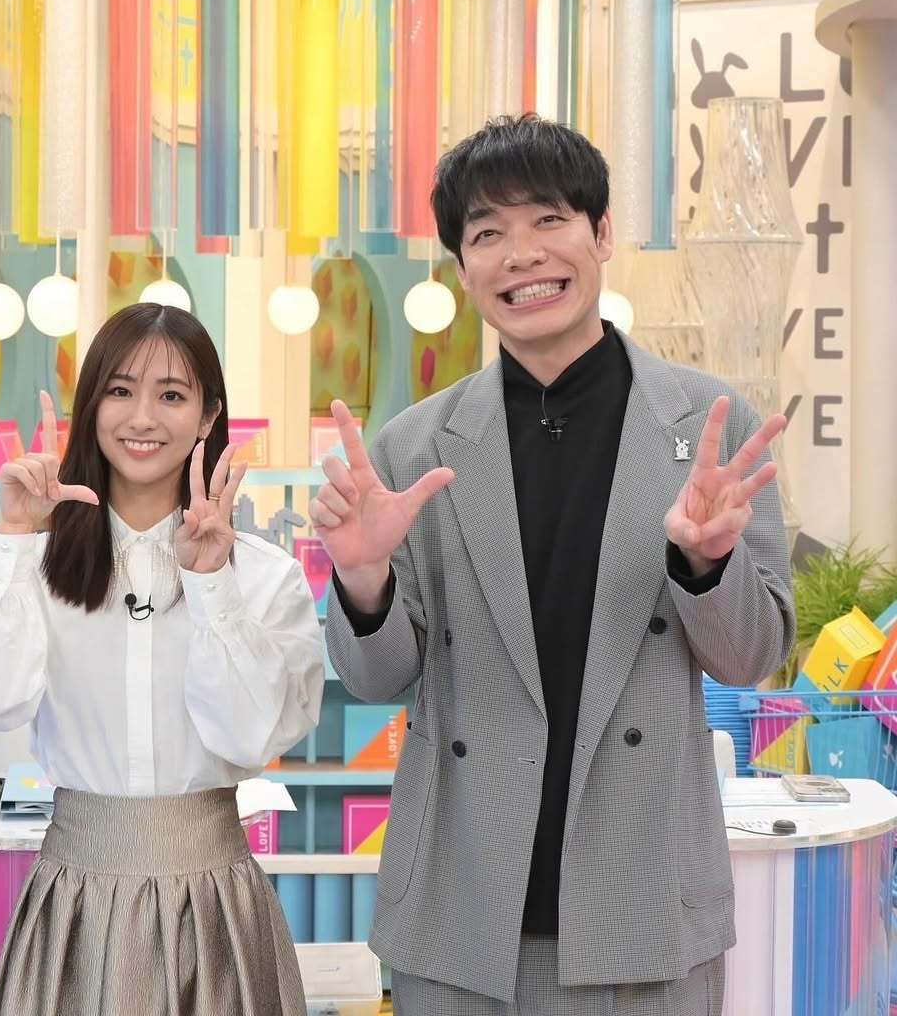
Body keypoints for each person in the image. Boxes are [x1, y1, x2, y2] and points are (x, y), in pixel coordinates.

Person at [312, 115, 794, 1015]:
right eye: (487, 233)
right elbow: (377, 681)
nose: (522, 254)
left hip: (645, 908)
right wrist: (365, 582)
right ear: (463, 269)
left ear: (602, 233)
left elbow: (750, 659)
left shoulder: (706, 426)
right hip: (460, 913)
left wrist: (707, 565)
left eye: (547, 219)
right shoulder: (413, 448)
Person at [0, 303, 324, 1015]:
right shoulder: (35, 565)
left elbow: (252, 738)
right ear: (91, 406)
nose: (142, 417)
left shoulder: (265, 576)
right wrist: (14, 535)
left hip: (215, 906)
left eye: (171, 395)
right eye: (120, 390)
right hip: (73, 902)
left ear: (208, 416)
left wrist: (210, 583)